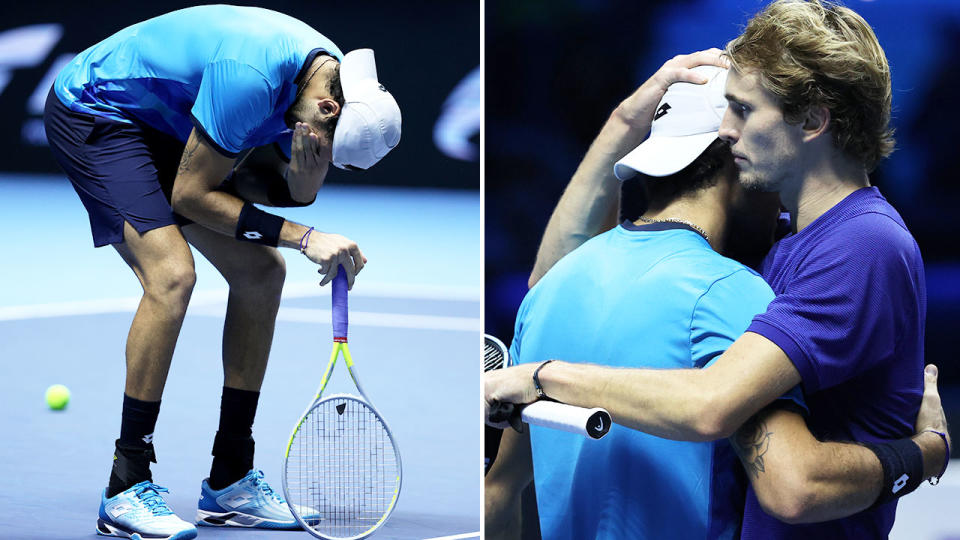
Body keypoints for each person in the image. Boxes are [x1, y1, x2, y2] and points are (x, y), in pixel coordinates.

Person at [486, 1, 950, 537]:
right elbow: (556, 279)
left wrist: (542, 376)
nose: (726, 132)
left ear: (814, 121)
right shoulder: (783, 244)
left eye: (744, 110)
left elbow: (718, 410)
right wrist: (626, 120)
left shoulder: (862, 245)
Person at [42, 6, 400, 540]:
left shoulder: (324, 79)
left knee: (261, 272)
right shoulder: (252, 79)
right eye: (327, 149)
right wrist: (306, 235)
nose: (321, 155)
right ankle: (124, 485)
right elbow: (194, 195)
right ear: (328, 110)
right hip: (99, 112)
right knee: (171, 276)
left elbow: (270, 190)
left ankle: (230, 475)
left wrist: (306, 184)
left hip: (167, 126)